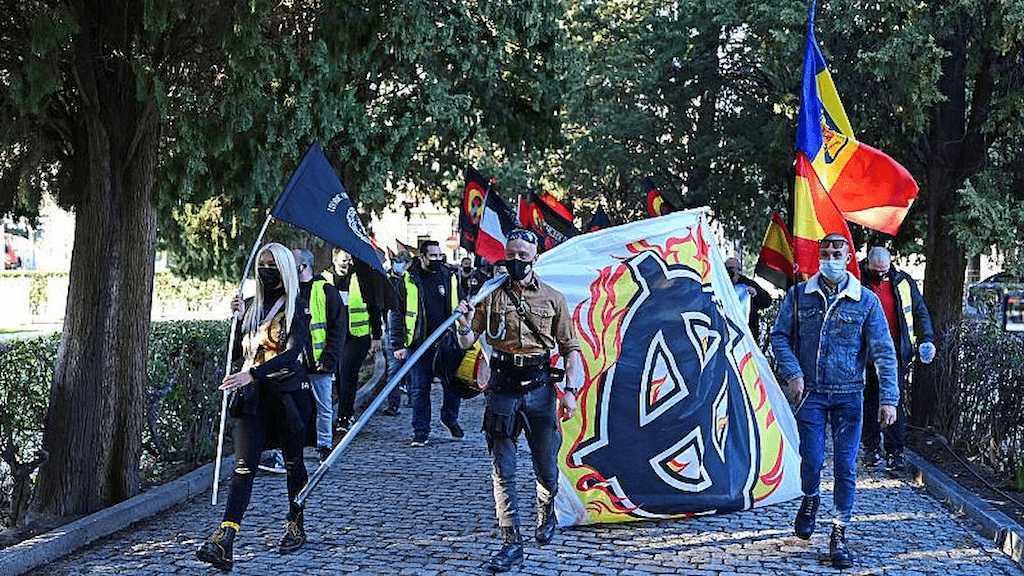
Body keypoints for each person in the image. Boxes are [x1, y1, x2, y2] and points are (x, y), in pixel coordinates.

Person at [455, 228, 583, 573]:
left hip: (540, 391)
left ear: (534, 258)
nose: (514, 261)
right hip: (502, 390)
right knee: (503, 471)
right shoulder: (490, 296)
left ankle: (546, 505)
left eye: (522, 257)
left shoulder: (553, 298)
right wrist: (464, 325)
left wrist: (570, 392)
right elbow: (469, 341)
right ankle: (511, 543)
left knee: (545, 465)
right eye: (510, 255)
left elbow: (571, 349)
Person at [770, 233, 898, 570]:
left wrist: (889, 398)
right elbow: (779, 336)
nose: (830, 257)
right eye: (825, 252)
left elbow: (884, 352)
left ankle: (839, 531)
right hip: (810, 394)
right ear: (818, 255)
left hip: (849, 396)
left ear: (848, 256)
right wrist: (793, 372)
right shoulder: (800, 296)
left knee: (845, 467)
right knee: (811, 460)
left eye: (836, 252)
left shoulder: (865, 301)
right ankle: (810, 499)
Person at [196, 243, 314, 570]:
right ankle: (226, 538)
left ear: (285, 269)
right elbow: (237, 352)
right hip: (252, 401)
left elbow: (291, 356)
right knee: (243, 467)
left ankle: (295, 522)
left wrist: (253, 374)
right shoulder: (250, 306)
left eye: (272, 264)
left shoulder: (296, 307)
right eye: (262, 264)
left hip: (288, 397)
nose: (265, 270)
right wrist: (235, 319)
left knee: (293, 464)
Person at [860, 247, 935, 472]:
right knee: (869, 400)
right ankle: (870, 449)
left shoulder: (903, 282)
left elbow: (920, 312)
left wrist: (927, 339)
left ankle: (895, 452)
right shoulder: (856, 279)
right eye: (877, 271)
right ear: (868, 265)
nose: (882, 275)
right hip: (864, 353)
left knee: (895, 402)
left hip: (894, 353)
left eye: (885, 270)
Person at [395, 240, 463, 446]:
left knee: (453, 386)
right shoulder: (408, 280)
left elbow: (459, 303)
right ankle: (421, 431)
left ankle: (449, 418)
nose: (437, 259)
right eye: (432, 256)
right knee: (419, 389)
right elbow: (397, 313)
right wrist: (398, 343)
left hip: (447, 342)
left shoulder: (449, 276)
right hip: (419, 344)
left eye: (439, 255)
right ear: (422, 257)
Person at [324, 248, 383, 435]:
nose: (347, 264)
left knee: (347, 373)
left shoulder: (361, 279)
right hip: (334, 336)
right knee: (340, 377)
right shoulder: (324, 280)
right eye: (343, 260)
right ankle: (344, 412)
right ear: (334, 259)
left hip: (357, 336)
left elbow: (374, 308)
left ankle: (344, 417)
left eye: (350, 261)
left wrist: (376, 336)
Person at [382, 250, 413, 416]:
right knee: (394, 370)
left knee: (412, 369)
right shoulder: (387, 279)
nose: (399, 265)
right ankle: (393, 404)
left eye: (403, 262)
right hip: (392, 330)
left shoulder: (412, 282)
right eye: (396, 261)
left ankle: (413, 398)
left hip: (412, 331)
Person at [725, 257, 772, 340]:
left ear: (738, 270)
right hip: (726, 330)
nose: (728, 271)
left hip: (748, 332)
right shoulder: (720, 284)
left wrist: (756, 294)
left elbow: (767, 301)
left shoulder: (748, 284)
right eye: (726, 268)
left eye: (730, 268)